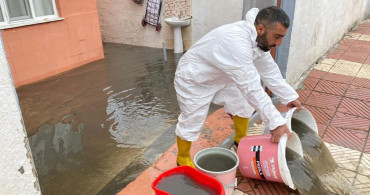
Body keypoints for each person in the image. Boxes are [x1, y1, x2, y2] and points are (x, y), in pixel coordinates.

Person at [174, 6, 302, 167]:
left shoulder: (258, 39)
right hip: (195, 78)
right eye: (277, 37)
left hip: (223, 75)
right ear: (261, 28)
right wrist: (275, 122)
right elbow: (252, 88)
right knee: (193, 118)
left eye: (282, 37)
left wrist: (290, 96)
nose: (279, 43)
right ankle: (183, 159)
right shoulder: (236, 42)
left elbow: (270, 71)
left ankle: (240, 139)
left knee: (243, 102)